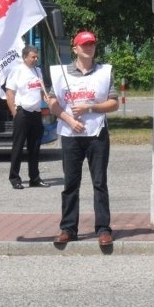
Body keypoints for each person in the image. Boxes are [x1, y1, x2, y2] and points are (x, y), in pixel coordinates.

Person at [48, 31, 119, 246]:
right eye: (84, 45)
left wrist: (90, 106)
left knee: (99, 182)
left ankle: (104, 229)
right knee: (71, 183)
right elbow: (52, 103)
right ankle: (68, 228)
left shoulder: (104, 72)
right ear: (75, 48)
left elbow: (114, 104)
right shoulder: (61, 73)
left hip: (97, 134)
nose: (88, 48)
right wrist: (69, 119)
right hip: (71, 135)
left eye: (92, 44)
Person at [5, 45, 49, 190]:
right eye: (33, 57)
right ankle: (14, 178)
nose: (35, 59)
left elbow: (41, 90)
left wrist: (47, 97)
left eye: (37, 57)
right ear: (25, 57)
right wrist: (15, 113)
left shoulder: (38, 71)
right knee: (18, 147)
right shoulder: (17, 71)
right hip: (22, 113)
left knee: (35, 147)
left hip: (36, 113)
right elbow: (10, 93)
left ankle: (34, 178)